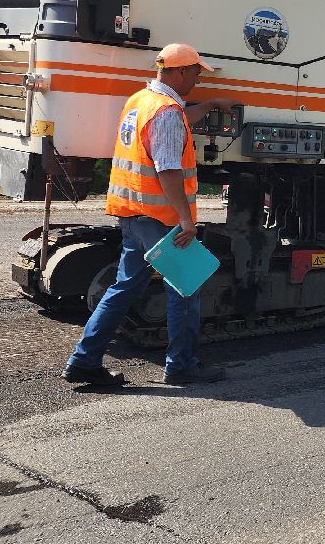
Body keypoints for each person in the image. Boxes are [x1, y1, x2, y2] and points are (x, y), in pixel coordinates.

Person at [62, 43, 238, 387]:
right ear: (181, 71)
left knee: (124, 287)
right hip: (162, 218)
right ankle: (182, 365)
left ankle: (84, 361)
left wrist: (212, 105)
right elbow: (168, 170)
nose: (198, 79)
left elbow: (178, 123)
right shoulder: (166, 110)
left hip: (133, 213)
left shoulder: (140, 101)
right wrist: (186, 219)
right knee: (186, 286)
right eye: (197, 73)